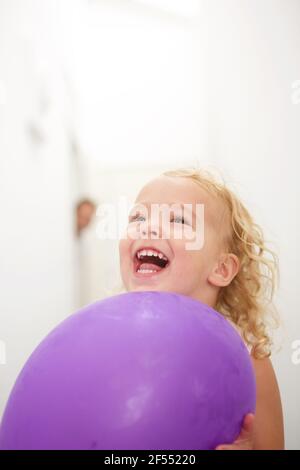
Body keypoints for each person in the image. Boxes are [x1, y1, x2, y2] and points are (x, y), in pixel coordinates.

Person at [119, 167, 284, 450]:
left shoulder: (246, 358)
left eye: (178, 220)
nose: (149, 227)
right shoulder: (111, 343)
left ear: (221, 268)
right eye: (138, 217)